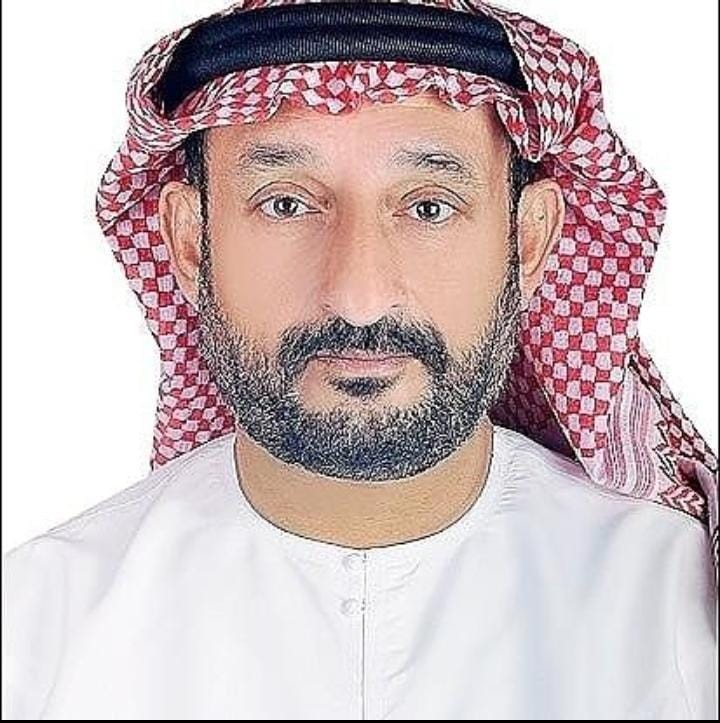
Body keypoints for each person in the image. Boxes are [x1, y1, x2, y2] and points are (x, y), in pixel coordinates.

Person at [3, 0, 717, 719]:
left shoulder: (680, 612)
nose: (359, 297)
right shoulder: (37, 632)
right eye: (286, 204)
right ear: (189, 243)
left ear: (529, 242)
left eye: (429, 207)